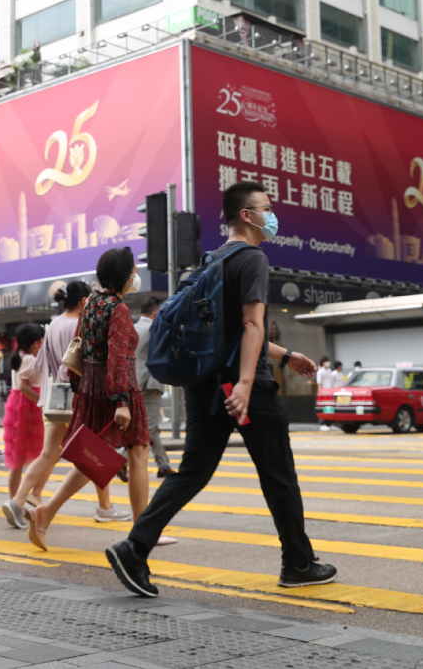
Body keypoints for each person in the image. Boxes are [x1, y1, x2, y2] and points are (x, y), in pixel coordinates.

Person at [106, 182, 336, 597]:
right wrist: (247, 384)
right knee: (278, 474)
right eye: (266, 207)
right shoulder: (252, 259)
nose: (272, 213)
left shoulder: (213, 261)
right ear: (246, 216)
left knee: (192, 472)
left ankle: (134, 548)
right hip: (241, 390)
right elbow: (250, 326)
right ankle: (298, 563)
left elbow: (233, 335)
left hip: (205, 385)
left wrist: (285, 355)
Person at [26, 248, 152, 551]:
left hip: (92, 389)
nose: (136, 275)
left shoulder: (92, 303)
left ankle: (47, 512)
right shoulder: (118, 309)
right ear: (124, 274)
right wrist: (122, 401)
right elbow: (119, 358)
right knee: (138, 454)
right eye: (133, 269)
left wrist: (81, 391)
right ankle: (143, 533)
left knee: (92, 457)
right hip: (118, 389)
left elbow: (78, 348)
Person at [0, 281, 124, 527]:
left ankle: (17, 500)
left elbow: (39, 366)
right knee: (97, 452)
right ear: (82, 301)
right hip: (81, 400)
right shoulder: (83, 324)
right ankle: (105, 508)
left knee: (48, 454)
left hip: (55, 398)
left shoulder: (53, 324)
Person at [0, 323, 46, 497]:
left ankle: (14, 500)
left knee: (17, 459)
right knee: (40, 454)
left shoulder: (19, 356)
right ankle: (33, 495)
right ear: (36, 343)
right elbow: (24, 386)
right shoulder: (31, 360)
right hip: (28, 408)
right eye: (43, 339)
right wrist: (42, 402)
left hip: (18, 406)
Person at [135, 296, 174, 478]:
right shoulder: (153, 329)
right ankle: (120, 460)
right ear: (156, 313)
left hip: (136, 383)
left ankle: (164, 465)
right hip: (149, 383)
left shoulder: (135, 328)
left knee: (146, 428)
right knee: (149, 428)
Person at [316, 357, 334, 431]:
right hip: (323, 392)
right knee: (323, 408)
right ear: (323, 362)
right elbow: (319, 383)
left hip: (330, 392)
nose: (328, 363)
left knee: (329, 408)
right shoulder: (320, 371)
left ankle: (329, 424)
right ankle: (322, 424)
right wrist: (320, 392)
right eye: (327, 361)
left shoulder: (329, 371)